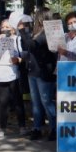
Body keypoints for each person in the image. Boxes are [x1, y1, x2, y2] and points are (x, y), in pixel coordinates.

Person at [0, 19, 26, 138]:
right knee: (3, 103)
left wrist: (18, 60)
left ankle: (22, 127)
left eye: (8, 27)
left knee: (18, 101)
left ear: (13, 29)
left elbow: (23, 56)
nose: (6, 29)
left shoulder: (17, 39)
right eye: (3, 27)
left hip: (12, 73)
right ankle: (2, 128)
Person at [21, 8, 58, 141]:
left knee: (47, 102)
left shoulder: (48, 33)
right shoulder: (35, 33)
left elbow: (32, 45)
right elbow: (27, 46)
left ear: (41, 19)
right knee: (36, 103)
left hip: (44, 73)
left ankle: (54, 128)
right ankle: (37, 128)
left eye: (36, 17)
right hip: (33, 72)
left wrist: (22, 31)